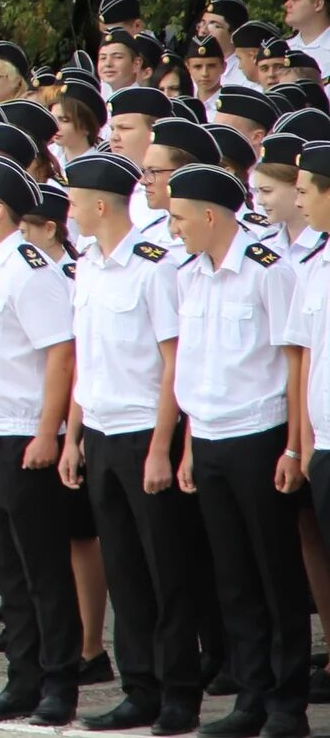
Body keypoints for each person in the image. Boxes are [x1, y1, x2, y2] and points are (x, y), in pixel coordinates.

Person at [62, 151, 201, 734]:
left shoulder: (154, 267)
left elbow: (175, 363)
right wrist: (73, 438)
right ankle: (138, 686)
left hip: (147, 431)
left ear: (99, 204)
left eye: (72, 199)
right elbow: (83, 359)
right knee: (123, 569)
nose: (66, 210)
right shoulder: (88, 265)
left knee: (164, 568)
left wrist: (161, 447)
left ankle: (178, 693)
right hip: (100, 430)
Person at [170, 164, 307, 738]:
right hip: (208, 437)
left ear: (209, 215)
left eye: (179, 218)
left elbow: (294, 362)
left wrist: (294, 448)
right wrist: (187, 448)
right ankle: (250, 697)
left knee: (275, 575)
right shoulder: (187, 275)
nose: (172, 229)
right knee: (233, 578)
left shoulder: (265, 272)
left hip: (259, 434)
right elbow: (192, 368)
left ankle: (286, 704)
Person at [0, 157, 81, 725]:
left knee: (43, 570)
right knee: (7, 571)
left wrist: (48, 433)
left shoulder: (28, 268)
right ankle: (21, 681)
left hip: (24, 436)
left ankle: (58, 684)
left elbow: (61, 352)